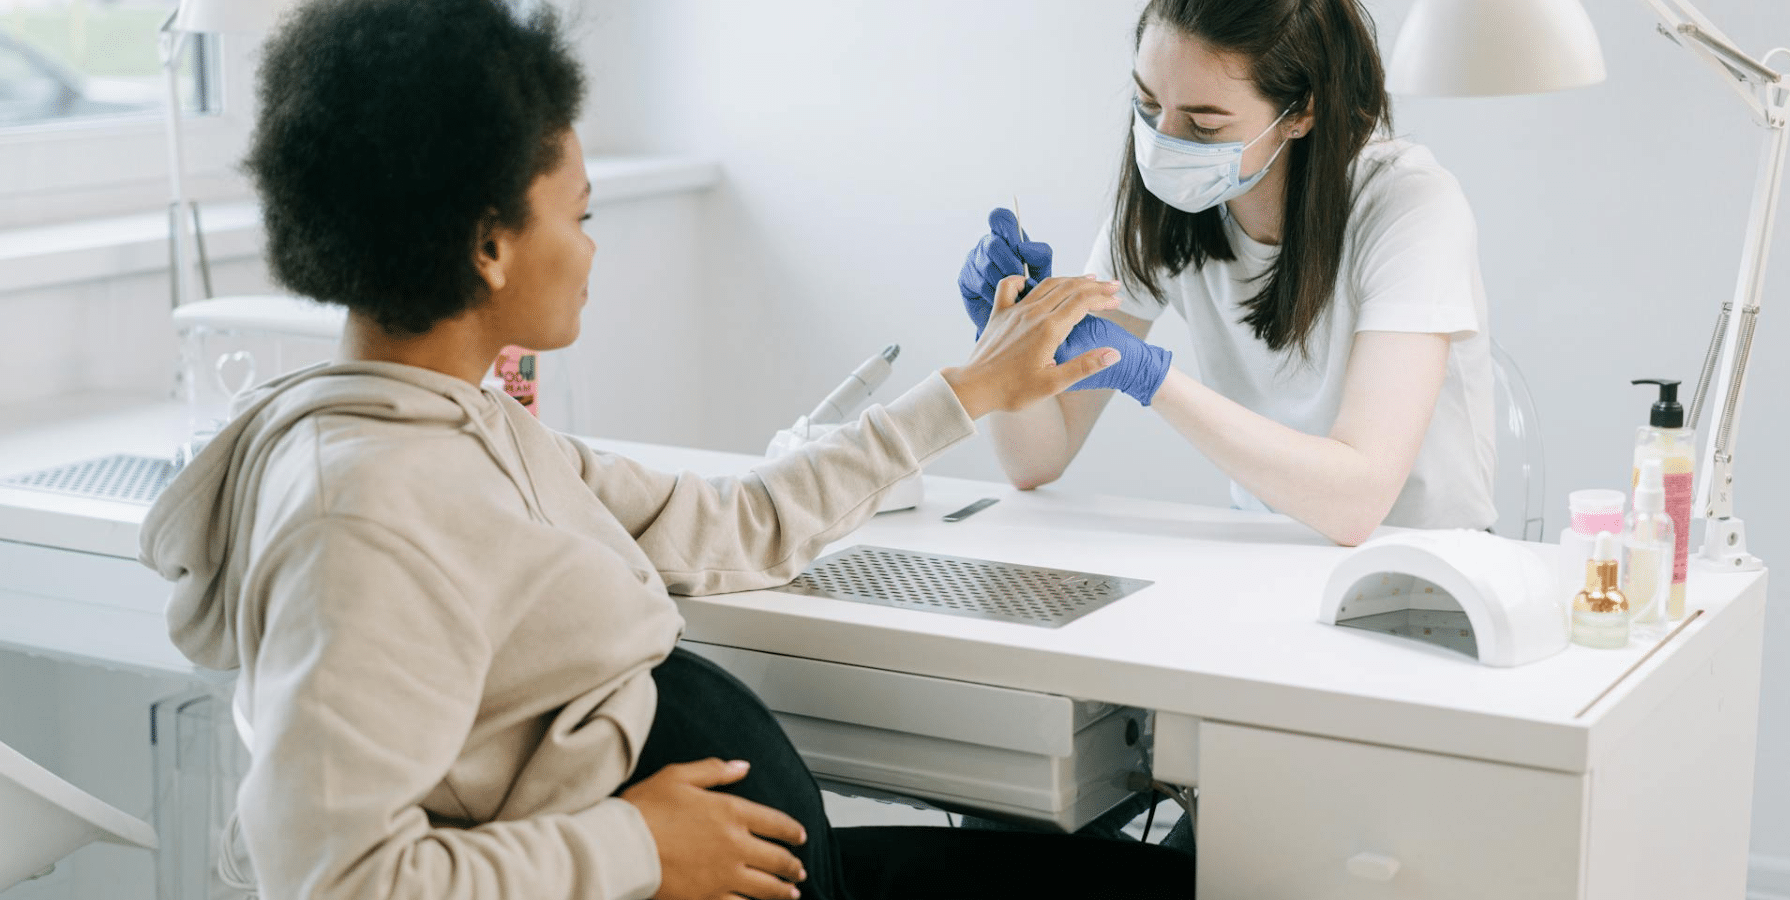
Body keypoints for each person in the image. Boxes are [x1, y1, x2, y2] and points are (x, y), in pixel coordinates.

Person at [137, 1, 1194, 899]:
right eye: (580, 215)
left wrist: (966, 392)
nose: (594, 246)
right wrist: (635, 846)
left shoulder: (473, 425)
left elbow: (734, 523)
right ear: (489, 244)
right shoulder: (359, 517)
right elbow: (337, 879)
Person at [959, 0, 1496, 551]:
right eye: (1148, 103)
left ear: (1301, 111)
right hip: (1266, 549)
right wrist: (1008, 338)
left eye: (1204, 124)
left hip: (1428, 566)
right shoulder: (1163, 209)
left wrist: (1152, 378)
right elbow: (1036, 461)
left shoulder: (1410, 206)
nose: (1163, 143)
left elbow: (1357, 505)